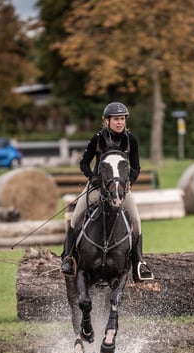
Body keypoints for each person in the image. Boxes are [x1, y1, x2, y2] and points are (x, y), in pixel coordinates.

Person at [60, 102, 154, 282]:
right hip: (97, 187)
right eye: (116, 119)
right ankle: (69, 258)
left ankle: (139, 263)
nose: (120, 122)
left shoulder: (130, 140)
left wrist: (129, 182)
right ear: (107, 120)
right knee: (75, 217)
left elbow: (136, 167)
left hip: (121, 189)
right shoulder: (97, 138)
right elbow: (84, 163)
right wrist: (92, 178)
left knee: (136, 221)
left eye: (122, 119)